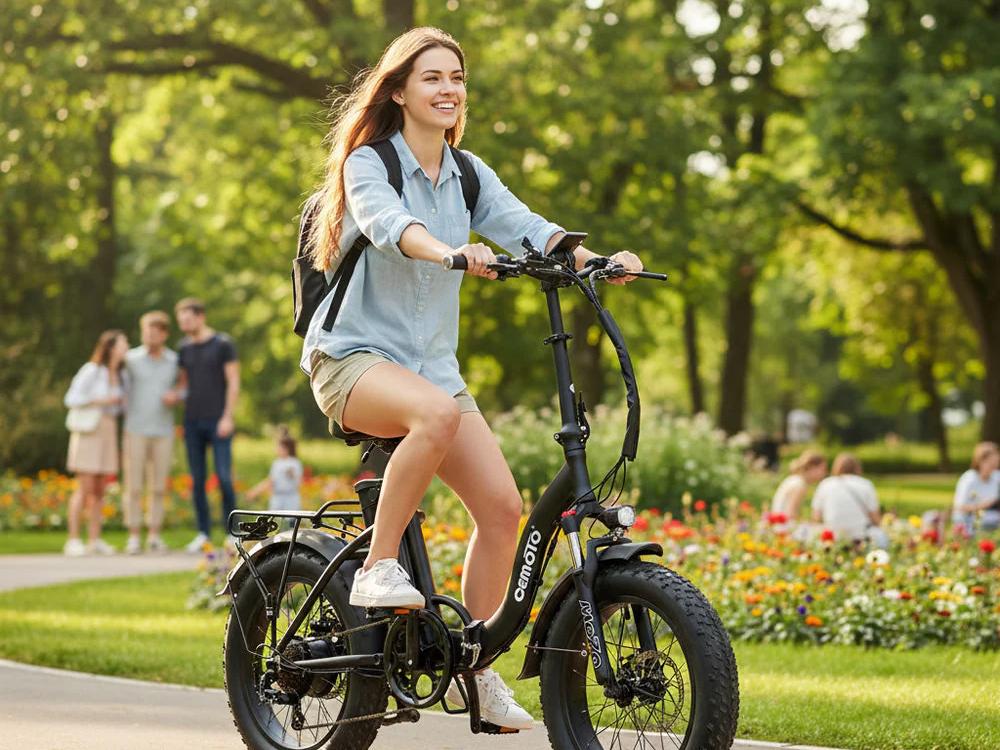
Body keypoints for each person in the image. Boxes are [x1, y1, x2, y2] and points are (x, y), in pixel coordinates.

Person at [300, 27, 643, 730]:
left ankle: (475, 671)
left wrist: (593, 259)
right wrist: (449, 253)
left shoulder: (468, 172)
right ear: (399, 90)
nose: (448, 89)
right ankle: (377, 568)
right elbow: (387, 224)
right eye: (431, 77)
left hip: (432, 372)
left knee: (501, 508)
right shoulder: (371, 163)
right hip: (351, 359)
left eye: (456, 77)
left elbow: (525, 226)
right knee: (435, 415)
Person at [174, 298, 240, 552]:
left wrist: (228, 416)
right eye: (181, 322)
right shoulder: (184, 348)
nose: (185, 325)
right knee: (197, 479)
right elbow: (184, 384)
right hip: (192, 422)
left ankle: (232, 533)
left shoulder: (223, 344)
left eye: (188, 320)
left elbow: (233, 381)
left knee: (224, 477)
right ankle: (203, 534)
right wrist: (175, 396)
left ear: (201, 317)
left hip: (218, 420)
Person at [62, 330, 129, 556]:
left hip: (108, 431)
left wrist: (120, 403)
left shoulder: (120, 375)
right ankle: (73, 540)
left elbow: (119, 407)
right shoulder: (91, 370)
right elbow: (70, 399)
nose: (126, 347)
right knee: (85, 487)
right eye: (123, 344)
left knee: (100, 490)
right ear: (111, 347)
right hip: (89, 431)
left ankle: (94, 539)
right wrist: (100, 400)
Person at [122, 311, 180, 554]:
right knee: (134, 485)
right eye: (146, 331)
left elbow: (183, 386)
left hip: (163, 431)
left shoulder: (174, 361)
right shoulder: (130, 359)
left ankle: (154, 535)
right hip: (134, 429)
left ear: (164, 334)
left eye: (154, 333)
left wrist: (177, 395)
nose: (149, 336)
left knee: (158, 486)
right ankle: (134, 536)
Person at [811, 453, 888, 548]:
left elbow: (816, 518)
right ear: (857, 468)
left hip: (832, 539)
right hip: (861, 538)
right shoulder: (866, 484)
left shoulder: (825, 484)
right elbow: (876, 520)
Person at [246, 429, 304, 523]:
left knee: (289, 525)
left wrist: (255, 491)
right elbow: (271, 481)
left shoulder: (293, 463)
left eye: (279, 447)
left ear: (286, 449)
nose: (277, 449)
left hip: (290, 499)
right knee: (276, 523)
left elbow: (296, 479)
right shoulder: (277, 463)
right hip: (277, 498)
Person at [769, 450, 826, 534]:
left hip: (779, 527)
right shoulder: (799, 485)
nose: (824, 473)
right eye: (822, 469)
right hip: (783, 530)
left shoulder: (794, 479)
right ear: (812, 467)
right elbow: (791, 515)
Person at [951, 441, 1000, 534]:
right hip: (967, 519)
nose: (995, 467)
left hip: (990, 516)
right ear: (980, 461)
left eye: (996, 463)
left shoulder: (996, 476)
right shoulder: (969, 479)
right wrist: (982, 506)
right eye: (991, 464)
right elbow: (958, 507)